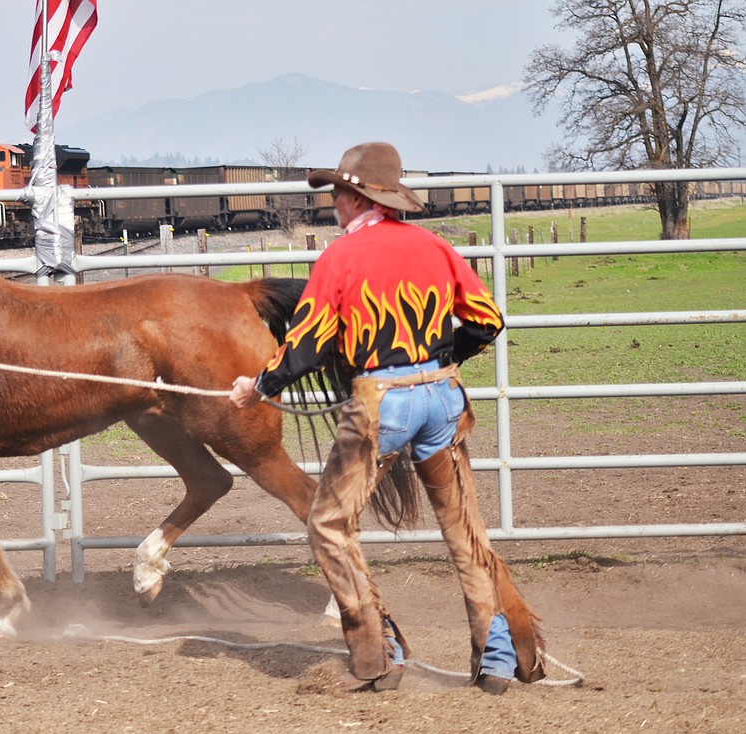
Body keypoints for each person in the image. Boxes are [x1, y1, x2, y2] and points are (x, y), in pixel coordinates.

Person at [230, 142, 546, 695]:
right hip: (443, 399)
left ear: (355, 198)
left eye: (336, 193)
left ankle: (377, 649)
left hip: (382, 406)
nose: (333, 203)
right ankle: (498, 655)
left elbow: (306, 344)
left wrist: (259, 386)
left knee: (329, 523)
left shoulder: (340, 258)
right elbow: (488, 320)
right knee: (464, 528)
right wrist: (444, 358)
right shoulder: (436, 247)